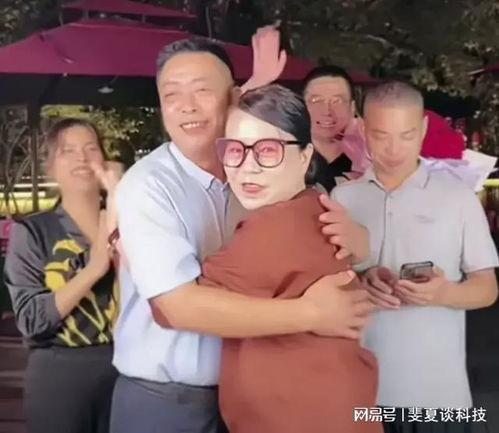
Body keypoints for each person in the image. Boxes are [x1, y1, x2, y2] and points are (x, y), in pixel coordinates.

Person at [106, 38, 372, 433]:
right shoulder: (150, 186)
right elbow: (176, 308)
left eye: (202, 90)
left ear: (233, 97)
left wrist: (360, 244)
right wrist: (313, 313)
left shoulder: (260, 181)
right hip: (169, 399)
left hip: (256, 396)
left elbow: (316, 253)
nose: (187, 106)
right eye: (171, 95)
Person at [198, 84, 381, 433]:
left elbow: (176, 307)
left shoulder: (273, 228)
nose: (247, 167)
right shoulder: (315, 207)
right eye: (234, 149)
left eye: (268, 150)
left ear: (304, 156)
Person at [332, 81, 499, 433]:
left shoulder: (458, 198)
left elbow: (487, 289)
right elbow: (328, 284)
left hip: (439, 397)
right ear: (363, 129)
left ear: (423, 129)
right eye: (381, 136)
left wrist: (444, 293)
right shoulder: (343, 198)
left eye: (406, 136)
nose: (394, 149)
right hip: (364, 394)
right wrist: (362, 281)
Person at [3, 118, 119, 433]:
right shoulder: (33, 232)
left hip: (128, 371)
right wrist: (93, 270)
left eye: (91, 148)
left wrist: (119, 198)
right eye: (68, 150)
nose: (81, 157)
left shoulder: (128, 223)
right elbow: (31, 320)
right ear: (50, 168)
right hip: (60, 376)